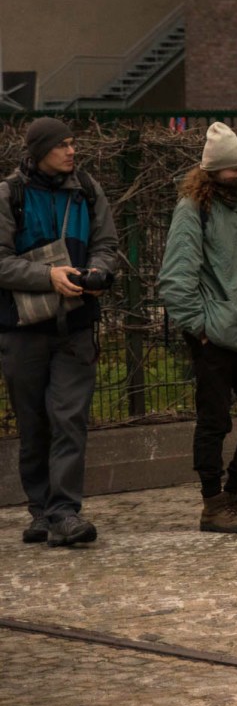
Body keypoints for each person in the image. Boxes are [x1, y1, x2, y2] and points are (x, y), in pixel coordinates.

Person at [0, 117, 119, 547]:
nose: (72, 151)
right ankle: (41, 511)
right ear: (38, 151)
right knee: (33, 423)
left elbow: (107, 244)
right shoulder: (9, 194)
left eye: (73, 143)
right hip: (23, 328)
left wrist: (99, 271)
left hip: (75, 325)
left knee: (69, 419)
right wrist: (47, 276)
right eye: (62, 145)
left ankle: (64, 511)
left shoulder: (87, 189)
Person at [158, 123, 237, 535]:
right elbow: (175, 279)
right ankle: (212, 505)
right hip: (215, 339)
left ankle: (236, 495)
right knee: (214, 422)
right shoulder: (194, 208)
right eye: (233, 170)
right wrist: (202, 327)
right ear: (213, 172)